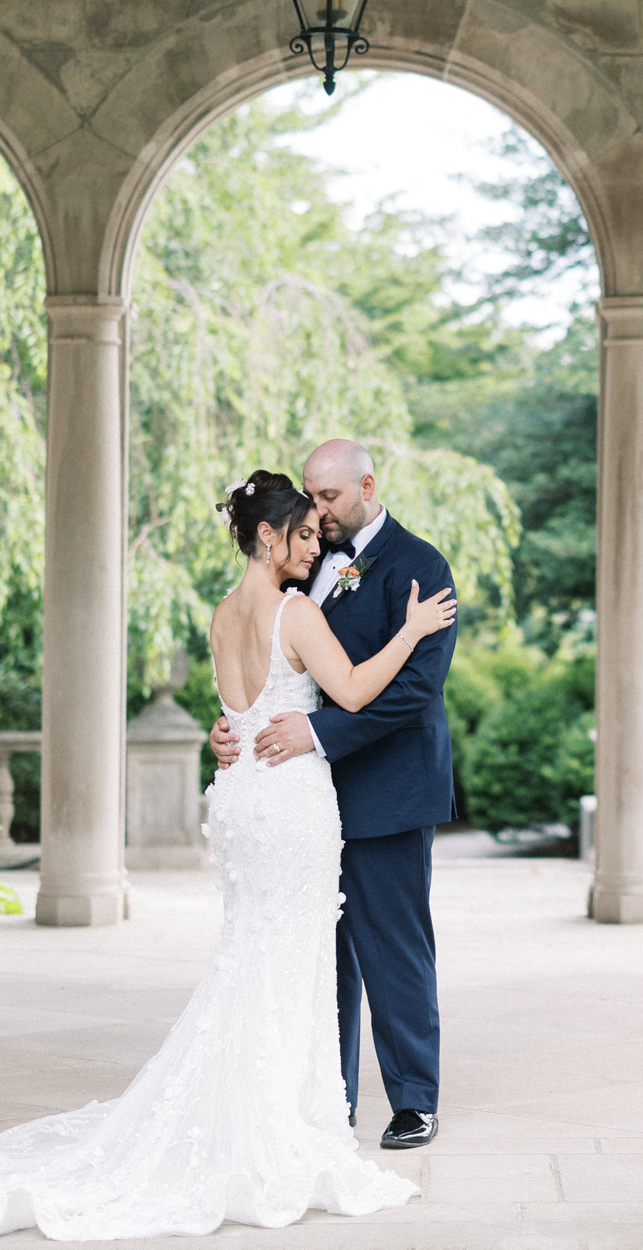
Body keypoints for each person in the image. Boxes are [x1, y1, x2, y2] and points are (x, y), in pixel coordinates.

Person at [0, 469, 457, 1237]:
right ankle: (284, 1120)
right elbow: (351, 688)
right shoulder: (294, 605)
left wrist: (235, 728)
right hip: (289, 801)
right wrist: (411, 631)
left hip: (252, 795)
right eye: (302, 527)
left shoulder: (225, 613)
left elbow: (246, 703)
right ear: (269, 535)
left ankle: (301, 1105)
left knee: (263, 952)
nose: (316, 536)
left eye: (322, 518)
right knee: (293, 954)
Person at [210, 438, 457, 1152]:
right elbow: (270, 672)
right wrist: (230, 727)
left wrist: (315, 734)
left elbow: (414, 691)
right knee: (321, 952)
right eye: (310, 501)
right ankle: (330, 1095)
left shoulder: (420, 566)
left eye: (329, 498)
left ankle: (414, 1098)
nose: (318, 513)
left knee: (394, 946)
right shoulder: (302, 572)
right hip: (301, 798)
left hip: (385, 789)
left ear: (367, 485)